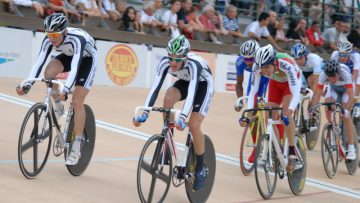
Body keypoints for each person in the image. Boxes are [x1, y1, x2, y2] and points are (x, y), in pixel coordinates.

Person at [132, 35, 214, 191]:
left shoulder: (194, 65)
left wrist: (183, 117)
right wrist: (145, 112)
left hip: (203, 86)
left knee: (194, 125)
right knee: (168, 99)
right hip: (185, 82)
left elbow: (192, 93)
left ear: (185, 57)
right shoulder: (165, 63)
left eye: (178, 59)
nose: (173, 62)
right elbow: (155, 88)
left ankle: (201, 168)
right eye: (171, 58)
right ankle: (167, 143)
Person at [16, 13, 97, 166]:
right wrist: (27, 85)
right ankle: (58, 106)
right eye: (48, 34)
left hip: (87, 59)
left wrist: (66, 88)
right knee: (48, 73)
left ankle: (76, 146)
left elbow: (75, 67)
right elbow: (39, 63)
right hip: (68, 55)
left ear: (64, 32)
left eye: (54, 34)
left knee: (77, 101)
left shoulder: (76, 39)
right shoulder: (49, 39)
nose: (51, 38)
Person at [246, 44, 302, 172]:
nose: (264, 71)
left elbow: (296, 92)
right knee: (268, 118)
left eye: (267, 67)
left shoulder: (286, 63)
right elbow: (252, 92)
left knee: (286, 114)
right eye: (262, 68)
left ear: (274, 62)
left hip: (290, 84)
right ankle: (279, 150)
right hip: (275, 84)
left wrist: (290, 111)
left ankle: (292, 151)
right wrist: (249, 112)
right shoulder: (257, 67)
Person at [310, 59, 356, 160]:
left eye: (333, 76)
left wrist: (346, 110)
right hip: (334, 89)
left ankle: (352, 149)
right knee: (327, 103)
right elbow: (317, 95)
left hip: (346, 89)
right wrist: (313, 109)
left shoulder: (345, 73)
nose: (331, 79)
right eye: (329, 77)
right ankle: (333, 126)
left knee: (346, 116)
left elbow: (351, 97)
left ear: (338, 73)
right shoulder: (323, 75)